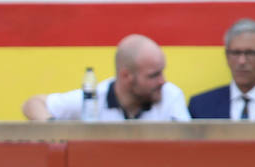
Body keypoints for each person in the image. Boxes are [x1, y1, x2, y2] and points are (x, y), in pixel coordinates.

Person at [22, 34, 190, 122]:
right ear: (126, 76)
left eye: (161, 72)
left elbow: (190, 148)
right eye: (154, 75)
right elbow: (33, 104)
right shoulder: (95, 99)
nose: (163, 81)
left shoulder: (170, 95)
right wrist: (54, 128)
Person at [187, 19, 255, 120]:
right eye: (235, 53)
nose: (242, 61)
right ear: (226, 57)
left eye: (251, 53)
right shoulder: (201, 106)